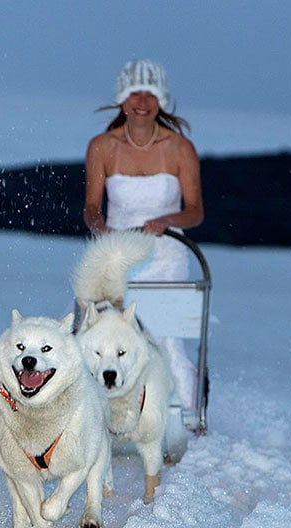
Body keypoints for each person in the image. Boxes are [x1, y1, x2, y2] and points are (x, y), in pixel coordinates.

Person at [83, 59, 204, 415]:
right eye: (134, 91)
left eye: (150, 93)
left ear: (161, 99)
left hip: (167, 254)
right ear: (122, 97)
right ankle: (97, 415)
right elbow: (91, 207)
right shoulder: (102, 146)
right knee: (101, 335)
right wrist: (99, 227)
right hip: (119, 256)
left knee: (166, 340)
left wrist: (167, 219)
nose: (142, 100)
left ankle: (184, 418)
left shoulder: (180, 148)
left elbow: (195, 211)